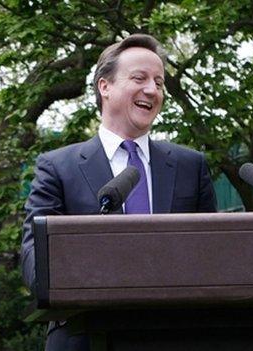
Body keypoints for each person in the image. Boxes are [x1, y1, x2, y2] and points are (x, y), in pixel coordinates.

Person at [21, 33, 217, 350]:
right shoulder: (57, 166)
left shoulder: (190, 166)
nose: (152, 90)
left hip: (176, 337)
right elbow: (34, 255)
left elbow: (213, 253)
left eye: (159, 82)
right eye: (139, 78)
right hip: (84, 336)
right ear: (105, 86)